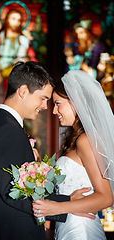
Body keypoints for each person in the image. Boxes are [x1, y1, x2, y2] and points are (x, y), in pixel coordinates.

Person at [0, 61, 93, 240]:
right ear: (23, 91)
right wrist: (67, 202)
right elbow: (12, 191)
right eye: (43, 98)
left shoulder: (8, 126)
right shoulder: (6, 130)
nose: (46, 107)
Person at [33, 70, 114, 239]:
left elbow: (106, 197)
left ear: (76, 103)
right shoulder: (75, 138)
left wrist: (57, 207)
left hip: (80, 229)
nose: (54, 111)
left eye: (58, 103)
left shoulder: (85, 140)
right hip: (69, 225)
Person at [0, 9, 37, 85]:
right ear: (7, 20)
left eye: (19, 20)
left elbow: (32, 59)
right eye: (13, 19)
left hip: (19, 77)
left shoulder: (24, 40)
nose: (16, 22)